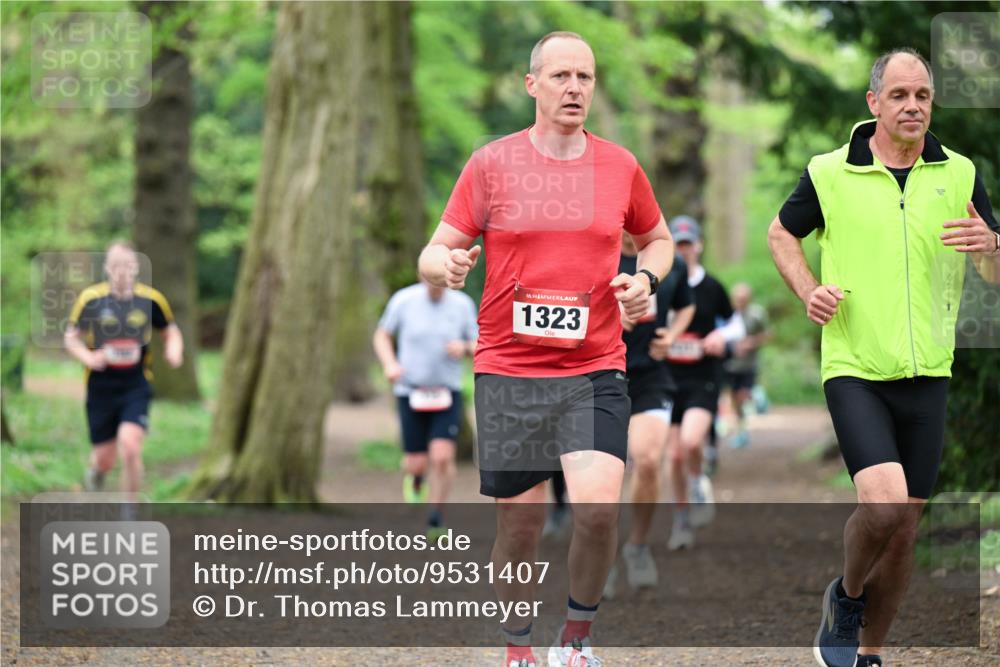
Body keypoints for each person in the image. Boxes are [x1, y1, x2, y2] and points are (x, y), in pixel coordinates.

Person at [418, 31, 674, 667]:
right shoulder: (491, 163)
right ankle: (517, 649)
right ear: (531, 84)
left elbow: (657, 240)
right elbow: (434, 248)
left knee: (595, 510)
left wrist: (644, 281)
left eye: (585, 77)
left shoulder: (620, 166)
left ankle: (577, 641)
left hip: (593, 366)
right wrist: (444, 266)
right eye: (561, 76)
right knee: (520, 527)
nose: (575, 88)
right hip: (510, 368)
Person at [767, 48, 999, 667]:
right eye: (899, 95)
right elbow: (781, 233)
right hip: (855, 365)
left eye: (922, 95)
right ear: (874, 104)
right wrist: (807, 289)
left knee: (904, 535)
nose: (912, 106)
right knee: (884, 504)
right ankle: (845, 596)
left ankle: (868, 651)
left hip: (929, 370)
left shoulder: (961, 173)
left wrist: (994, 245)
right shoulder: (829, 172)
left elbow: (993, 271)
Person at [605, 233, 694, 596]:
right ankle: (601, 555)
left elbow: (686, 305)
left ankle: (637, 546)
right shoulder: (602, 256)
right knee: (605, 474)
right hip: (605, 373)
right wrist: (613, 322)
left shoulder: (668, 262)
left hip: (652, 377)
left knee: (647, 459)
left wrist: (671, 336)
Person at [64, 241, 184, 499]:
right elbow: (71, 337)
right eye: (116, 265)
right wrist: (87, 356)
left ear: (136, 268)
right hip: (101, 387)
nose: (122, 271)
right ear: (107, 268)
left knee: (130, 447)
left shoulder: (151, 300)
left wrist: (175, 349)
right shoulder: (92, 299)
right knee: (105, 459)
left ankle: (129, 512)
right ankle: (97, 471)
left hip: (136, 384)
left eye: (127, 265)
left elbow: (171, 330)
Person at [372, 280, 477, 538]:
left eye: (441, 280)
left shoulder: (462, 304)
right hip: (411, 391)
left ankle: (436, 516)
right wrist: (390, 364)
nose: (435, 285)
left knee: (442, 457)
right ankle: (416, 478)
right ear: (422, 275)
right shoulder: (403, 299)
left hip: (446, 392)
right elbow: (382, 335)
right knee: (416, 463)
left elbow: (479, 343)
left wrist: (464, 348)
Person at [663, 215, 744, 550]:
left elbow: (736, 325)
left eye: (687, 244)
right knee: (675, 457)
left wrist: (718, 336)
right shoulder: (660, 284)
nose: (683, 250)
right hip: (666, 379)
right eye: (677, 244)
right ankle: (681, 520)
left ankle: (699, 483)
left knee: (692, 442)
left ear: (698, 246)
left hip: (703, 378)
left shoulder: (711, 287)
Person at [722, 283, 771, 449]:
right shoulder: (727, 314)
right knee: (735, 399)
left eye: (743, 299)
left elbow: (768, 334)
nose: (740, 301)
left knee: (744, 394)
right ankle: (741, 431)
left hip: (749, 364)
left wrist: (752, 342)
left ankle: (758, 397)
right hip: (730, 364)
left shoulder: (757, 314)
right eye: (737, 299)